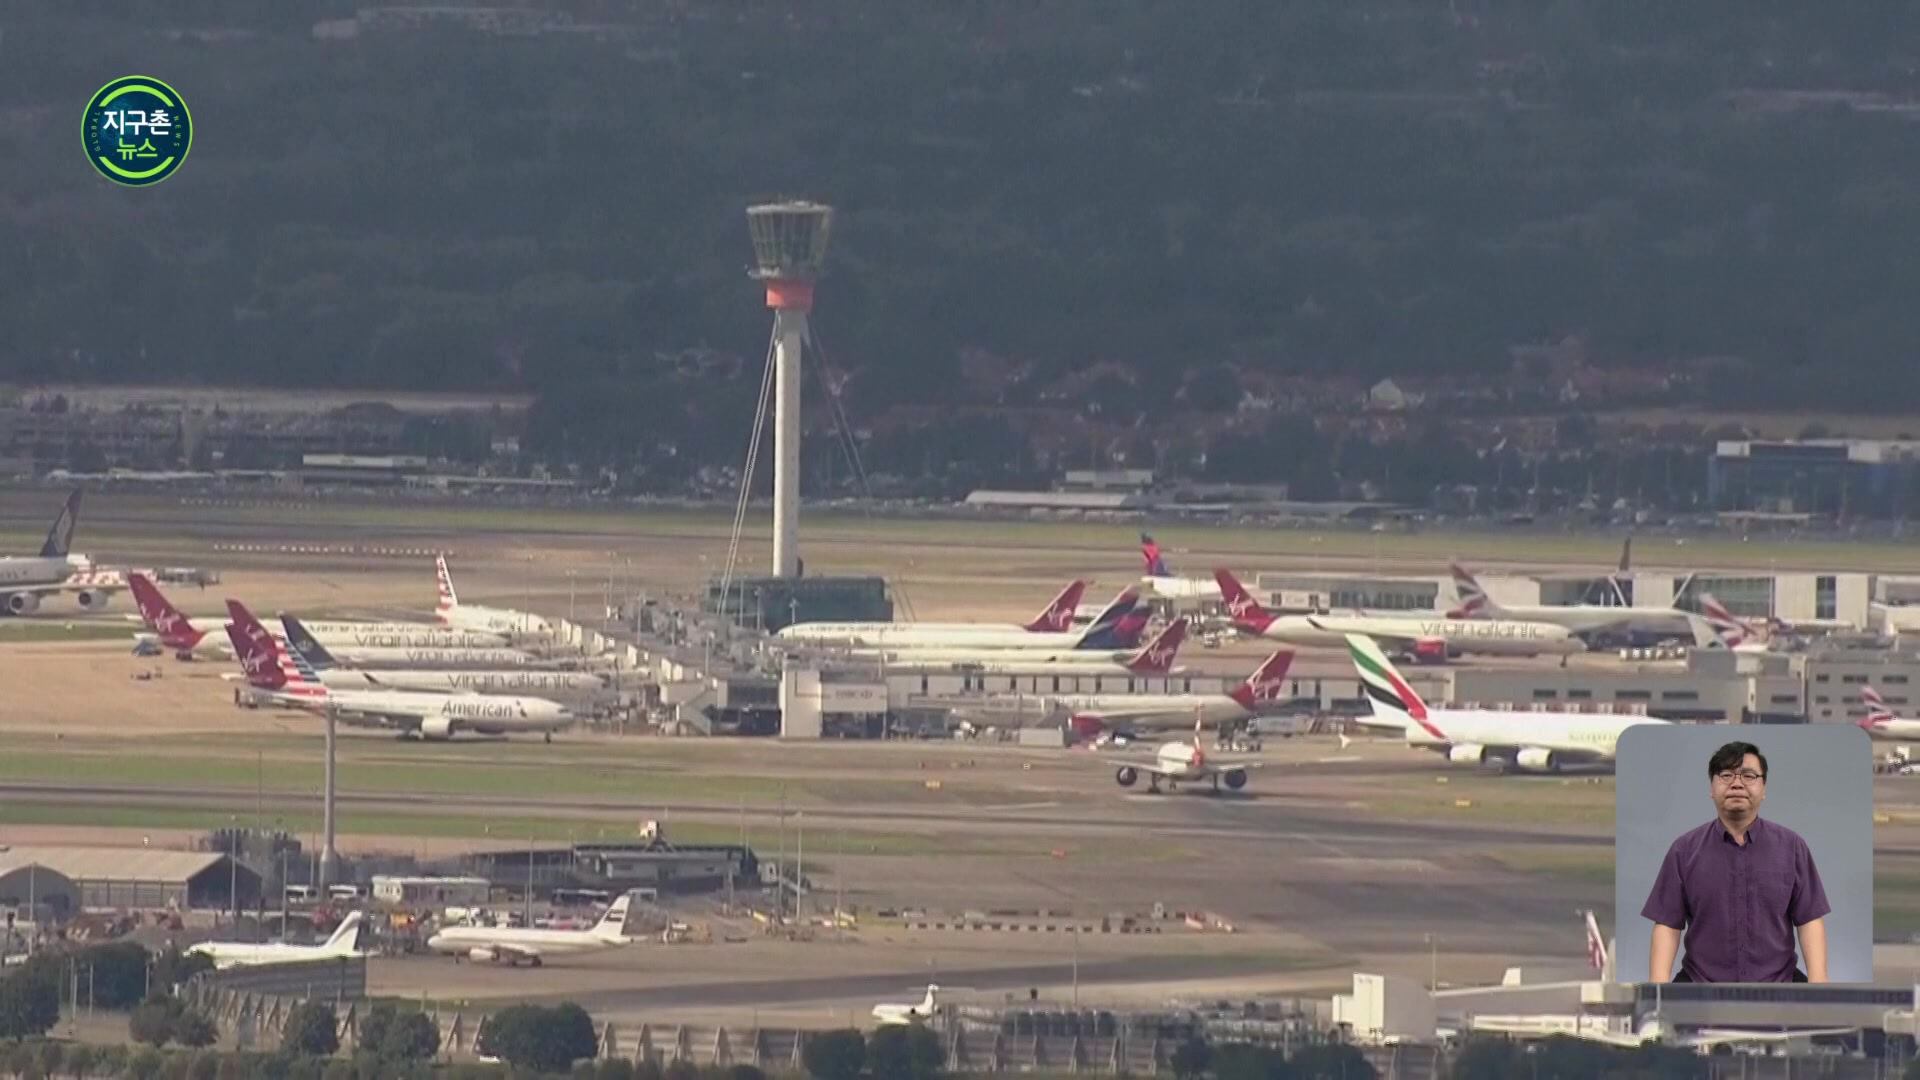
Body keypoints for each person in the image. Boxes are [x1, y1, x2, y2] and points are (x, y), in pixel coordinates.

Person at [1641, 740, 1830, 982]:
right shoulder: (1684, 851)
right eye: (1726, 775)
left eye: (1748, 776)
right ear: (1712, 787)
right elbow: (1667, 925)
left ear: (1764, 789)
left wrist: (1819, 985)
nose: (1737, 783)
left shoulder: (1792, 847)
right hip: (1700, 986)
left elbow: (1810, 920)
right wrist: (1659, 989)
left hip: (1779, 985)